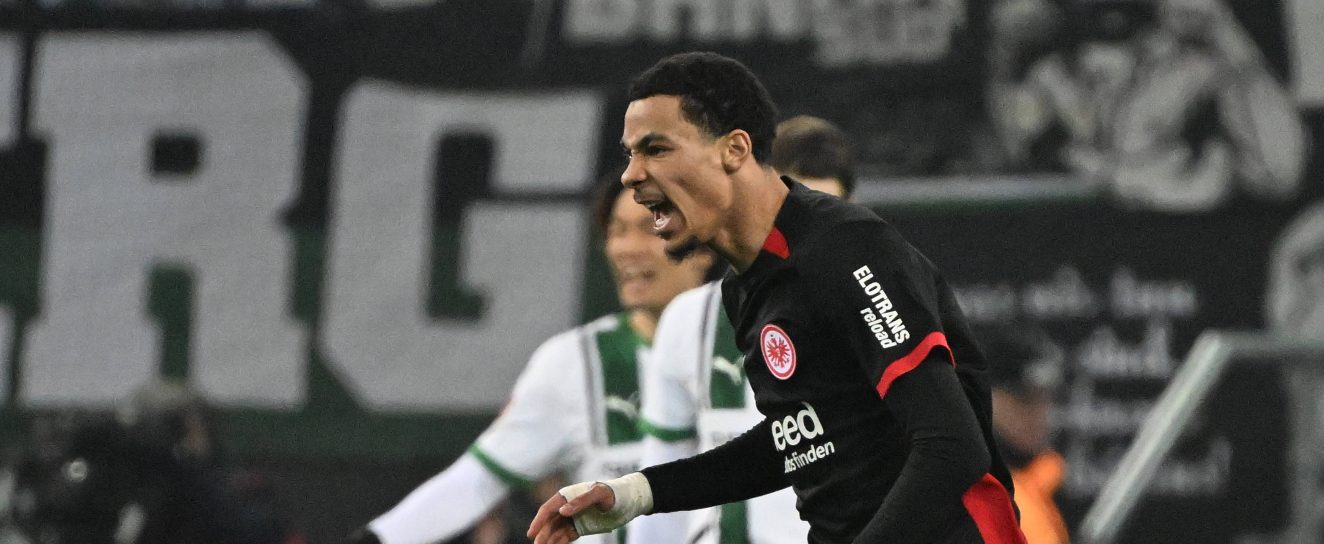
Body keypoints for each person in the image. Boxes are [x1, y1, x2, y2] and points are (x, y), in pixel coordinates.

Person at [529, 51, 1026, 544]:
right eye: (630, 154)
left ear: (734, 149)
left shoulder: (844, 248)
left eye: (656, 149)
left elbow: (952, 445)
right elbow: (801, 438)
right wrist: (634, 493)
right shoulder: (745, 286)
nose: (631, 175)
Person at [342, 169, 714, 544]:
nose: (627, 248)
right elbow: (474, 484)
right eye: (616, 231)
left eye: (650, 229)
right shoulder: (573, 363)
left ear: (705, 244)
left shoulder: (742, 347)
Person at [628, 114, 856, 544]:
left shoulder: (878, 313)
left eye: (827, 210)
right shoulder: (691, 319)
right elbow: (662, 469)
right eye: (794, 209)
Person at [978, 325, 1070, 544]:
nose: (1041, 413)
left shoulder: (1039, 482)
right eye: (1025, 399)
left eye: (1046, 398)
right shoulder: (972, 490)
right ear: (987, 396)